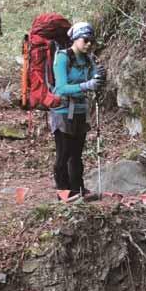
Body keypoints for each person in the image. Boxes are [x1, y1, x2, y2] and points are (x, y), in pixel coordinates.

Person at [51, 21, 104, 202]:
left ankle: (78, 189)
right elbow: (60, 88)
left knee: (76, 154)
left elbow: (93, 84)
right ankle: (63, 193)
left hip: (80, 111)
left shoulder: (88, 60)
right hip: (63, 111)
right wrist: (86, 85)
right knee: (63, 154)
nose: (89, 44)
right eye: (85, 40)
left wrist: (98, 78)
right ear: (75, 39)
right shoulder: (62, 57)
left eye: (91, 41)